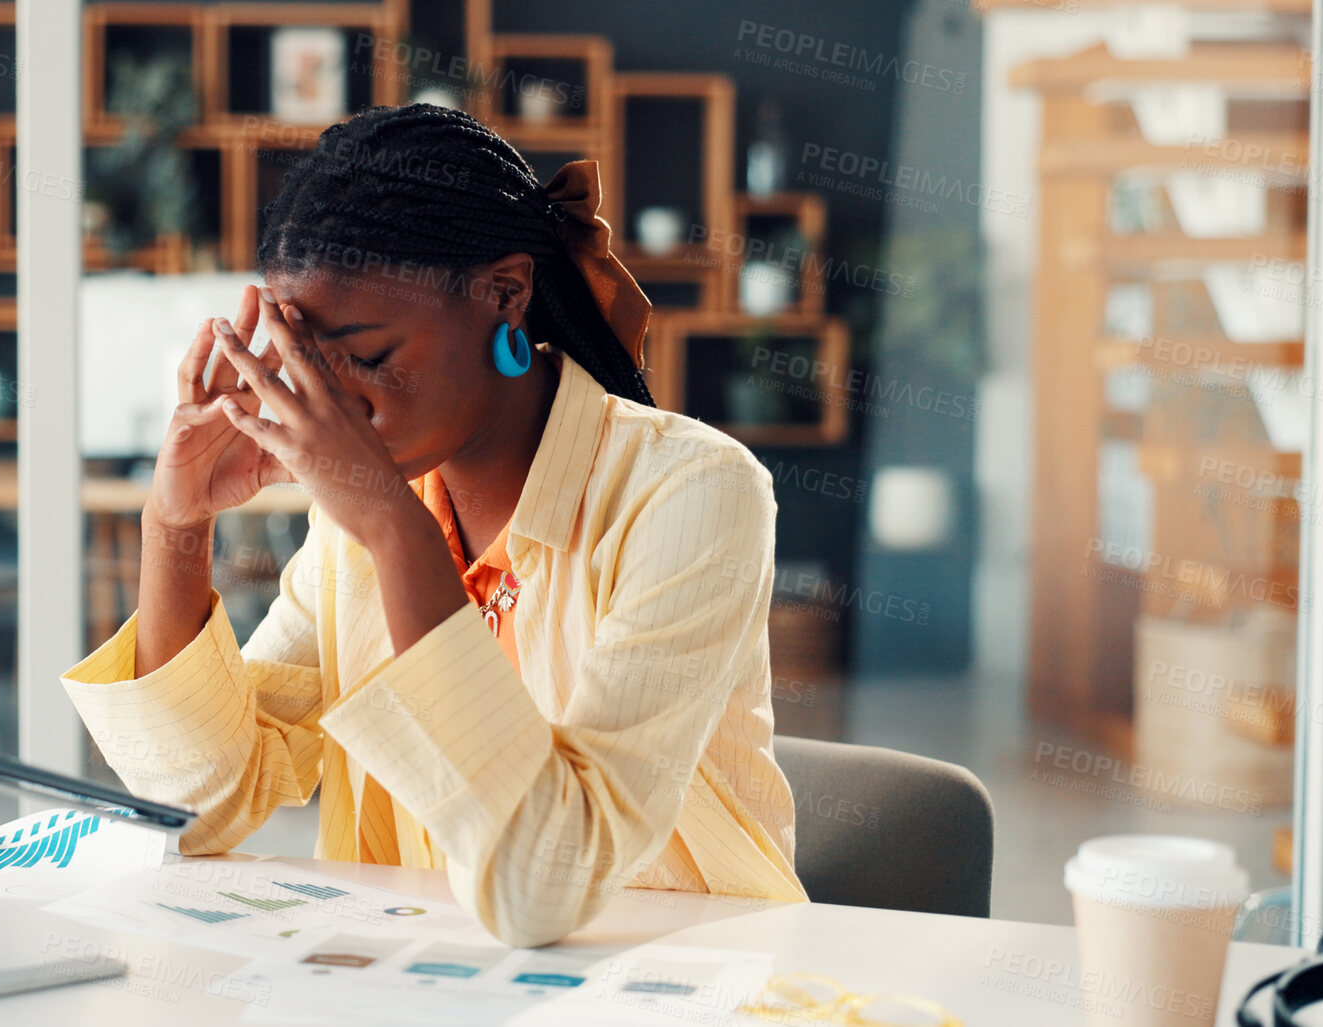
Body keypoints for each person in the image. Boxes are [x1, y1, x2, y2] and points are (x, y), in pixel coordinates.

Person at [61, 102, 806, 948]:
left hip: (678, 974)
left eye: (370, 356)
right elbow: (195, 808)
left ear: (504, 293)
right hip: (428, 969)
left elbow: (542, 888)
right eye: (305, 358)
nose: (333, 401)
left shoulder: (691, 493)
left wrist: (391, 532)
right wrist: (175, 522)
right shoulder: (367, 517)